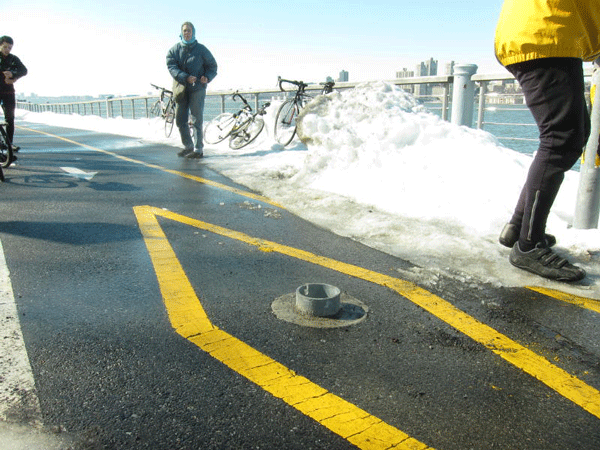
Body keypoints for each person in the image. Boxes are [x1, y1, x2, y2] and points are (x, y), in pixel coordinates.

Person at [494, 0, 600, 282]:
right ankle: (529, 245)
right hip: (548, 33)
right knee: (560, 140)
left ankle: (519, 228)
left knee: (570, 135)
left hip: (541, 31)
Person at [166, 22, 217, 159]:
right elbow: (171, 66)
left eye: (189, 30)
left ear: (193, 32)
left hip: (197, 89)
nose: (186, 33)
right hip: (181, 88)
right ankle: (188, 146)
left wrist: (207, 77)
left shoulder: (201, 49)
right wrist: (185, 77)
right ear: (181, 32)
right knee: (180, 119)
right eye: (184, 30)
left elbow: (212, 66)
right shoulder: (174, 50)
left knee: (196, 119)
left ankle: (198, 149)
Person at [0, 35, 27, 153]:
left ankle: (9, 144)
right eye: (5, 47)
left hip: (8, 92)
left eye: (9, 48)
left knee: (10, 118)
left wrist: (13, 75)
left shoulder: (13, 58)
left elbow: (24, 70)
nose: (7, 50)